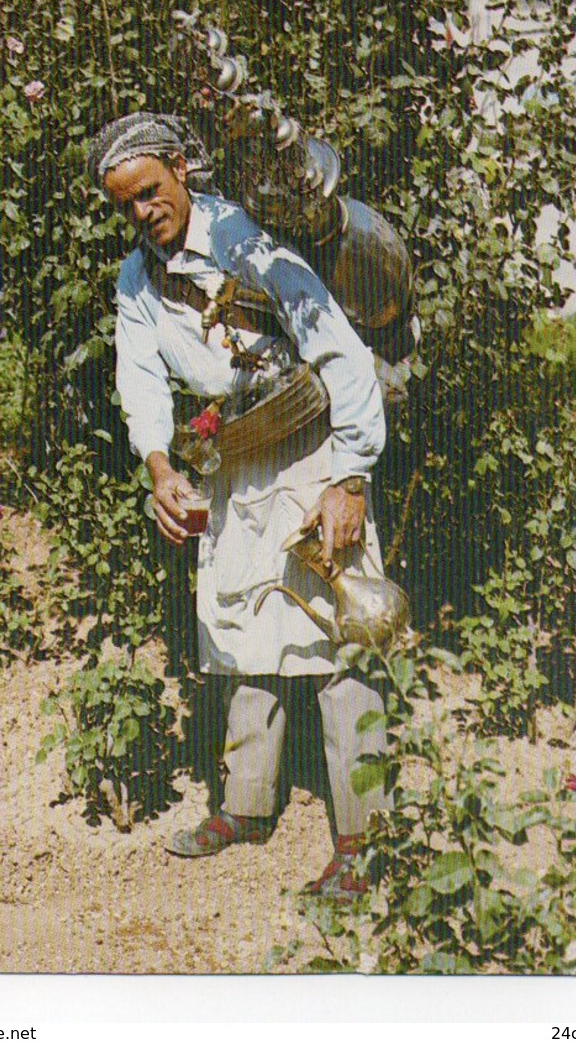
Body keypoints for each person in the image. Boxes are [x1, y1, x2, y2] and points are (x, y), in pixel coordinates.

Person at [88, 112, 393, 900]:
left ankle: (365, 840)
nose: (141, 213)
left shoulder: (247, 240)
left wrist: (350, 475)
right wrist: (159, 466)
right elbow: (141, 380)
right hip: (233, 453)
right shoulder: (136, 278)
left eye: (149, 193)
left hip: (313, 444)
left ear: (181, 173)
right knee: (237, 626)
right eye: (125, 204)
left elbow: (338, 347)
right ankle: (246, 806)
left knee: (342, 634)